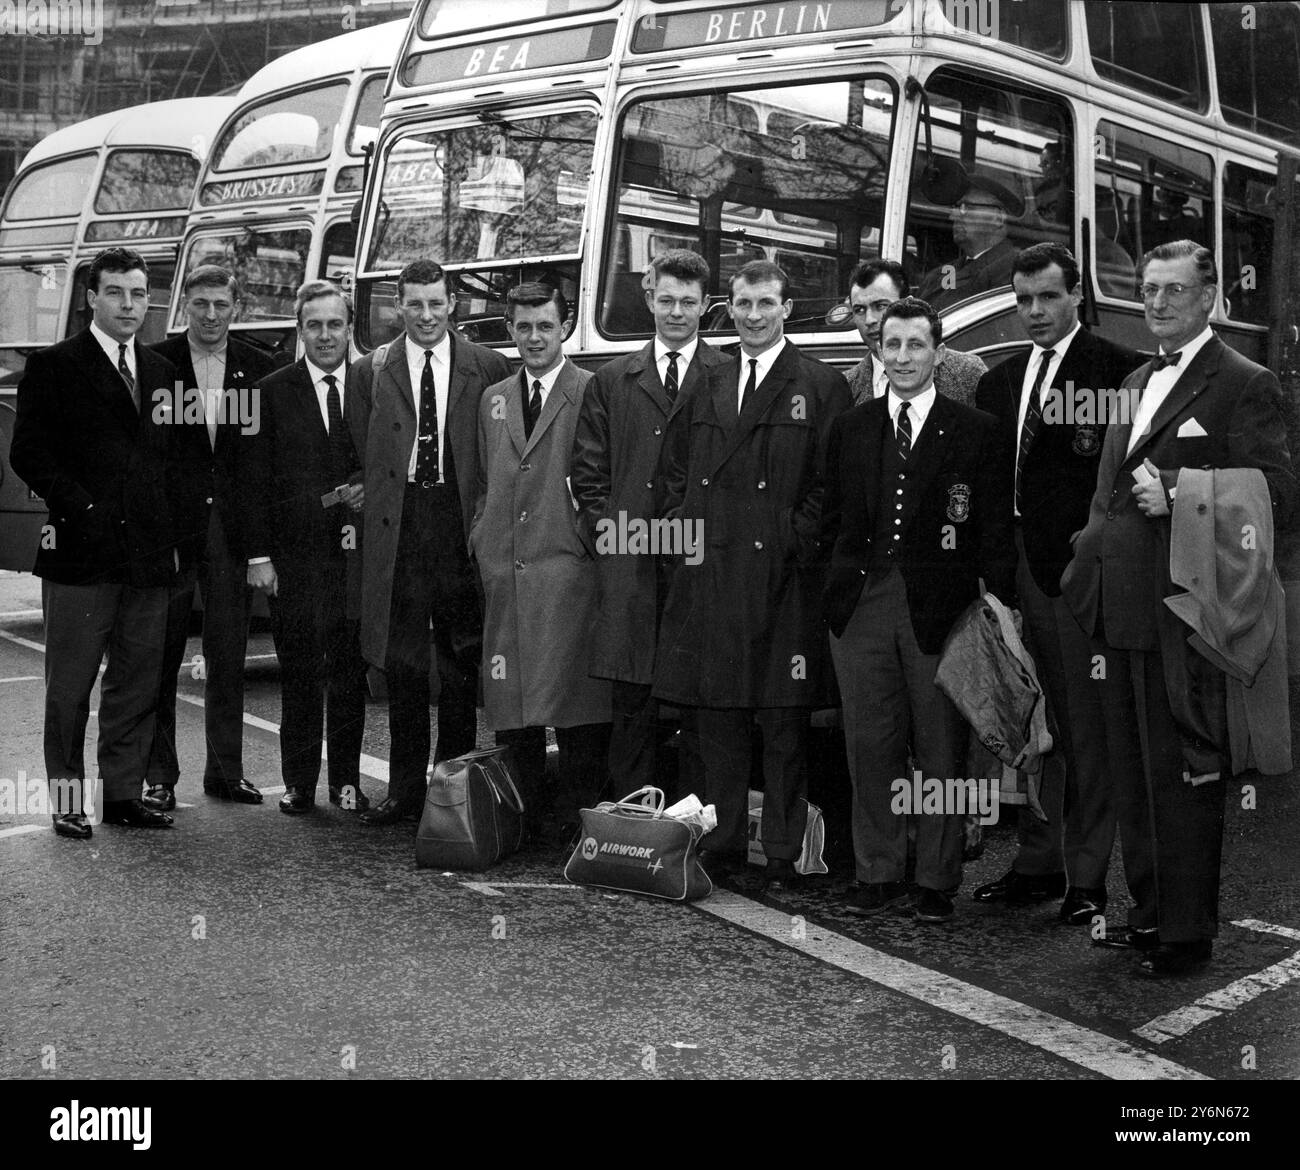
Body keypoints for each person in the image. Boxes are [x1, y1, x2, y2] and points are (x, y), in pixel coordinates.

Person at [1061, 240, 1296, 977]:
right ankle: (1150, 913)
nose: (1156, 303)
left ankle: (1186, 934)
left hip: (1188, 612)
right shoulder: (1135, 376)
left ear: (1209, 298)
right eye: (1148, 289)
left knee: (1185, 776)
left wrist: (1187, 494)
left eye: (1172, 290)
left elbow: (1280, 496)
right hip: (1121, 608)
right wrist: (1083, 565)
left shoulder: (1244, 381)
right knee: (1133, 776)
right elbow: (1107, 490)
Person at [653, 259, 852, 887]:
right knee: (719, 722)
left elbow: (831, 486)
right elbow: (674, 471)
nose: (755, 316)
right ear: (728, 310)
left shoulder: (819, 384)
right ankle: (726, 845)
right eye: (743, 305)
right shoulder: (706, 379)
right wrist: (685, 536)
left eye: (767, 303)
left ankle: (786, 854)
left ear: (788, 309)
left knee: (785, 725)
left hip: (785, 583)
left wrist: (794, 542)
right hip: (713, 576)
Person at [822, 297, 1017, 922]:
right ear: (877, 351)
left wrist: (997, 609)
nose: (902, 357)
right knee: (870, 744)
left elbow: (990, 530)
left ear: (938, 352)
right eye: (891, 344)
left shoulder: (975, 430)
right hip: (862, 607)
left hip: (942, 609)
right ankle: (877, 872)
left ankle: (935, 879)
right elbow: (831, 520)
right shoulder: (851, 428)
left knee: (940, 748)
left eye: (916, 345)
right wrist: (836, 597)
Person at [973, 243, 1140, 923]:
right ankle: (1037, 863)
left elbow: (1125, 484)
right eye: (1023, 298)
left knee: (1084, 728)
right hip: (1009, 574)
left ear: (1077, 296)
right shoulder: (999, 380)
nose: (1034, 311)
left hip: (1074, 578)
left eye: (1048, 296)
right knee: (1027, 723)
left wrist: (1086, 558)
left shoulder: (1117, 372)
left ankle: (1089, 881)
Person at [10, 246, 183, 836]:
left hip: (148, 560)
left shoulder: (161, 371)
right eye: (116, 292)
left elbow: (172, 463)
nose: (130, 304)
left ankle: (123, 795)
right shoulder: (56, 366)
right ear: (91, 297)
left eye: (139, 294)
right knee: (70, 687)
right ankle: (65, 799)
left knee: (135, 682)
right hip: (82, 556)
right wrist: (82, 507)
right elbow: (28, 453)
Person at [347, 260, 511, 826]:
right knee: (406, 665)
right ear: (398, 306)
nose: (425, 315)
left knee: (462, 662)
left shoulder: (487, 366)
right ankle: (405, 791)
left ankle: (454, 789)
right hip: (401, 527)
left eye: (436, 303)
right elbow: (361, 446)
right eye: (414, 304)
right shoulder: (372, 369)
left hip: (459, 522)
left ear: (453, 306)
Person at [571, 249, 727, 796]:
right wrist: (613, 540)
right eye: (667, 300)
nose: (677, 312)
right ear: (649, 299)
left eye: (688, 302)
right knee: (632, 706)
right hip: (631, 562)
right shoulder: (612, 380)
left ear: (706, 305)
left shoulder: (727, 375)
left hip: (698, 564)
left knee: (699, 708)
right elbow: (587, 476)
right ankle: (629, 824)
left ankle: (693, 829)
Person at [471, 283, 611, 848]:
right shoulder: (495, 398)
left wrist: (586, 541)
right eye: (523, 327)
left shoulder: (590, 391)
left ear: (564, 328)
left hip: (569, 573)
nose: (534, 338)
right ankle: (519, 823)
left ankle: (580, 826)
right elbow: (487, 479)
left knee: (577, 709)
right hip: (507, 572)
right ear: (510, 330)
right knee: (514, 708)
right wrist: (483, 538)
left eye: (545, 327)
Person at [143, 265, 276, 811]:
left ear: (236, 306)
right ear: (184, 308)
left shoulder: (260, 368)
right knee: (161, 657)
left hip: (232, 536)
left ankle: (225, 772)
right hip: (172, 534)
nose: (211, 314)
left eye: (221, 303)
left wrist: (260, 547)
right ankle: (159, 776)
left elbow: (262, 467)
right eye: (200, 304)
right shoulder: (157, 366)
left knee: (227, 657)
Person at [239, 280, 367, 816]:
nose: (325, 335)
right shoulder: (269, 391)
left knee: (349, 674)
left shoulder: (371, 385)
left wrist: (366, 486)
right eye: (313, 325)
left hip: (355, 560)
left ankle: (346, 783)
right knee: (299, 674)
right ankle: (298, 784)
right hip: (292, 562)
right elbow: (249, 481)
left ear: (349, 328)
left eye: (335, 324)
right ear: (299, 330)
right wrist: (259, 556)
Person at [843, 258, 987, 406]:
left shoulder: (967, 373)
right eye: (859, 310)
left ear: (907, 303)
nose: (869, 320)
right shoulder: (844, 388)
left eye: (880, 306)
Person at [918, 173, 1022, 311]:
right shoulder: (945, 272)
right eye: (956, 207)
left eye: (966, 207)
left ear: (998, 218)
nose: (952, 216)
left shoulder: (1015, 268)